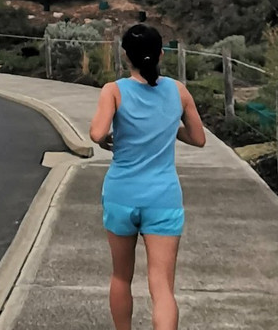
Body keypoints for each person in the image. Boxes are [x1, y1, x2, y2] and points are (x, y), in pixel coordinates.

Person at [88, 23, 206, 330]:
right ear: (161, 55)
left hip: (122, 195)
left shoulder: (113, 91)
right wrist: (166, 128)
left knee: (120, 276)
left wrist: (104, 141)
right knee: (162, 287)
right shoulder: (179, 91)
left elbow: (97, 132)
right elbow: (198, 138)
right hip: (163, 198)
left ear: (126, 56)